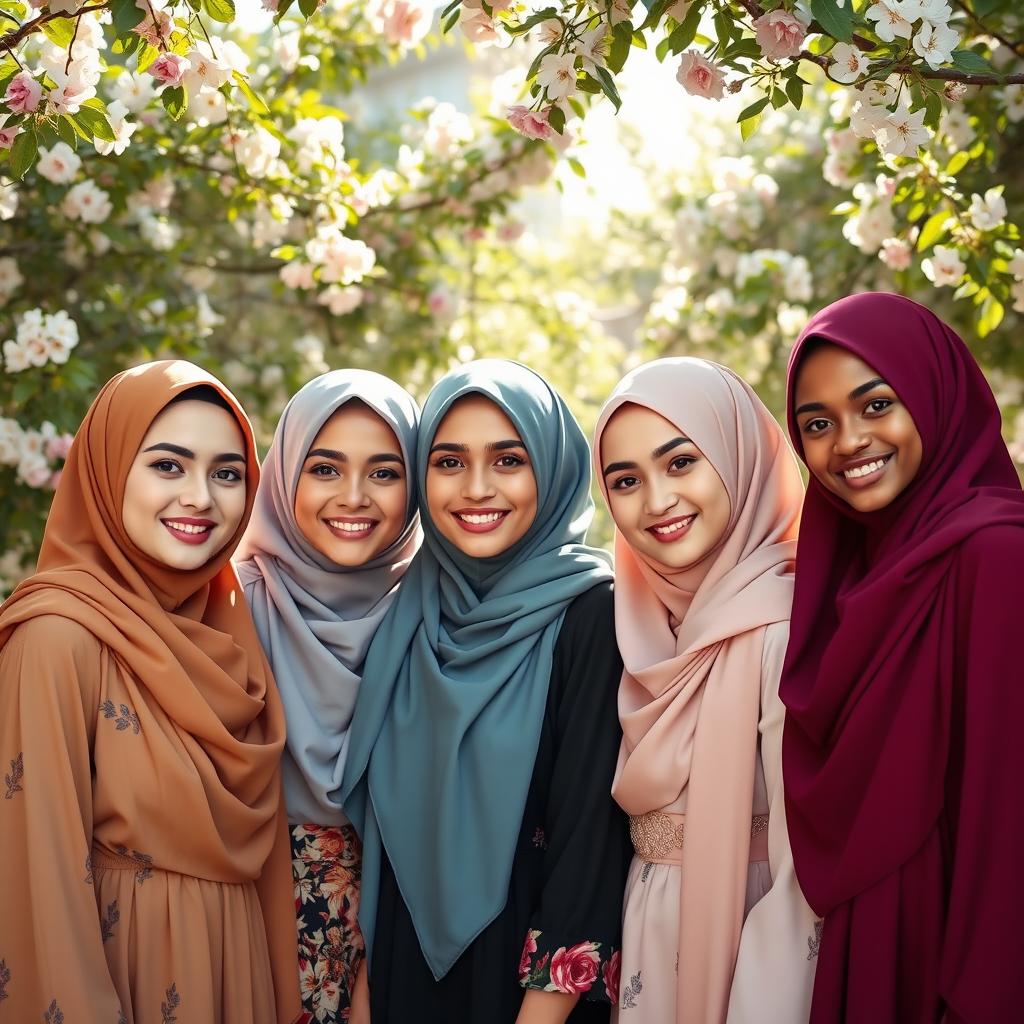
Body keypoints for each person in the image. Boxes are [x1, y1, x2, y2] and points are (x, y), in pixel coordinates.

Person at [0, 360, 300, 1023]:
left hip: (236, 983)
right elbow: (39, 881)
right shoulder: (58, 638)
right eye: (168, 465)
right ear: (108, 475)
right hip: (124, 980)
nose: (200, 497)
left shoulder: (227, 633)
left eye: (226, 474)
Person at [340, 359, 632, 1023]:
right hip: (402, 978)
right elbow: (372, 839)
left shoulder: (593, 616)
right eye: (448, 462)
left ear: (551, 469)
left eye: (508, 460)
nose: (476, 488)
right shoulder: (409, 611)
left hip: (528, 997)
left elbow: (585, 852)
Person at [781, 292, 1024, 1022]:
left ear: (934, 394)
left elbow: (1006, 811)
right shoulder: (853, 573)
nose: (847, 441)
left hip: (957, 943)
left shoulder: (995, 556)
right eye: (817, 424)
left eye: (876, 404)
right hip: (874, 931)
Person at [594, 357, 817, 1024]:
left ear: (739, 457)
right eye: (626, 480)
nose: (657, 501)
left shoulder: (783, 630)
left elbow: (801, 876)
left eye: (681, 462)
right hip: (646, 948)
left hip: (748, 956)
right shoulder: (634, 622)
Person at [236, 369, 420, 1023]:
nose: (354, 497)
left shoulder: (437, 618)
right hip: (245, 932)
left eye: (384, 472)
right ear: (284, 476)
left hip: (401, 946)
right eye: (325, 469)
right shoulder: (226, 608)